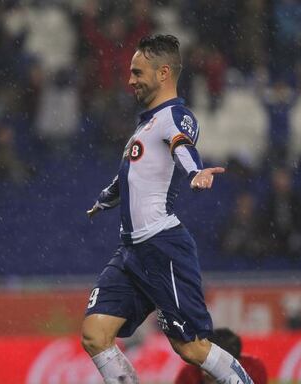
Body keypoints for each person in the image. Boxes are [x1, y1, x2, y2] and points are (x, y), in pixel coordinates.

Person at [81, 35, 253, 384]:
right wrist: (103, 200)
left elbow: (182, 146)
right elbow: (126, 179)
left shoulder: (175, 115)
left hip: (162, 246)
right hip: (131, 251)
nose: (129, 80)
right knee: (94, 334)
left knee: (190, 347)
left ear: (163, 73)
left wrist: (196, 171)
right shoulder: (144, 127)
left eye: (136, 72)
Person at [175, 328, 268, 384]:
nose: (206, 373)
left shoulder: (253, 369)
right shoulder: (189, 375)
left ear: (237, 362)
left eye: (217, 365)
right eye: (205, 361)